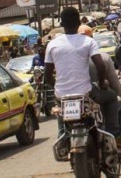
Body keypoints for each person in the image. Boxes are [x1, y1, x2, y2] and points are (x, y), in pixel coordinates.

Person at [44, 8, 109, 149]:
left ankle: (62, 138)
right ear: (79, 23)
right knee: (98, 115)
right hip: (85, 93)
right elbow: (100, 65)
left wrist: (57, 86)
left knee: (62, 118)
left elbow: (47, 76)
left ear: (62, 24)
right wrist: (102, 82)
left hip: (61, 95)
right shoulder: (88, 42)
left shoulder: (52, 44)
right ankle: (103, 140)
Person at [78, 26, 121, 164]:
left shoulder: (70, 59)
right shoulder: (102, 57)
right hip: (96, 97)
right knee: (120, 102)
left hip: (76, 100)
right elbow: (117, 88)